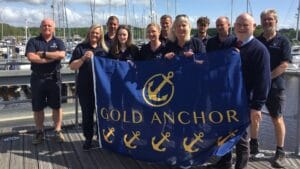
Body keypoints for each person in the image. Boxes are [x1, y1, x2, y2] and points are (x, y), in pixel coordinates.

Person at [207, 13, 271, 169]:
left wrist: (257, 106)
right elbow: (216, 67)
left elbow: (263, 80)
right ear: (234, 26)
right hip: (224, 99)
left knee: (241, 139)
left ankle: (241, 166)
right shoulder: (230, 44)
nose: (242, 28)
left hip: (244, 102)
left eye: (246, 25)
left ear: (254, 27)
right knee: (223, 134)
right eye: (239, 24)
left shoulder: (259, 49)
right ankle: (224, 164)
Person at [251, 9, 291, 168]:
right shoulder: (256, 40)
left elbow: (284, 65)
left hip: (275, 87)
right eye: (265, 20)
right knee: (254, 116)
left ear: (276, 21)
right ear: (261, 22)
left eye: (270, 19)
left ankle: (280, 152)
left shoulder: (284, 41)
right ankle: (253, 147)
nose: (267, 22)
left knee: (277, 118)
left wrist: (266, 78)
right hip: (257, 87)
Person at [25, 18, 66, 144]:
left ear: (53, 28)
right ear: (40, 27)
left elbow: (61, 55)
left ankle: (58, 131)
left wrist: (42, 54)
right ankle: (39, 132)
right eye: (44, 25)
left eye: (49, 25)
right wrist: (49, 58)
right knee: (37, 107)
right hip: (37, 78)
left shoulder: (58, 41)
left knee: (57, 106)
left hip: (54, 78)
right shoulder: (33, 41)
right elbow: (31, 57)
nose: (46, 27)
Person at [69, 24, 109, 151]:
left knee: (102, 115)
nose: (95, 35)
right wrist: (82, 58)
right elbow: (72, 66)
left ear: (101, 35)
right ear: (89, 33)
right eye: (93, 32)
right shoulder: (81, 47)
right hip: (85, 88)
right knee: (87, 115)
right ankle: (88, 138)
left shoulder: (104, 50)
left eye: (97, 33)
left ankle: (102, 138)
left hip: (100, 88)